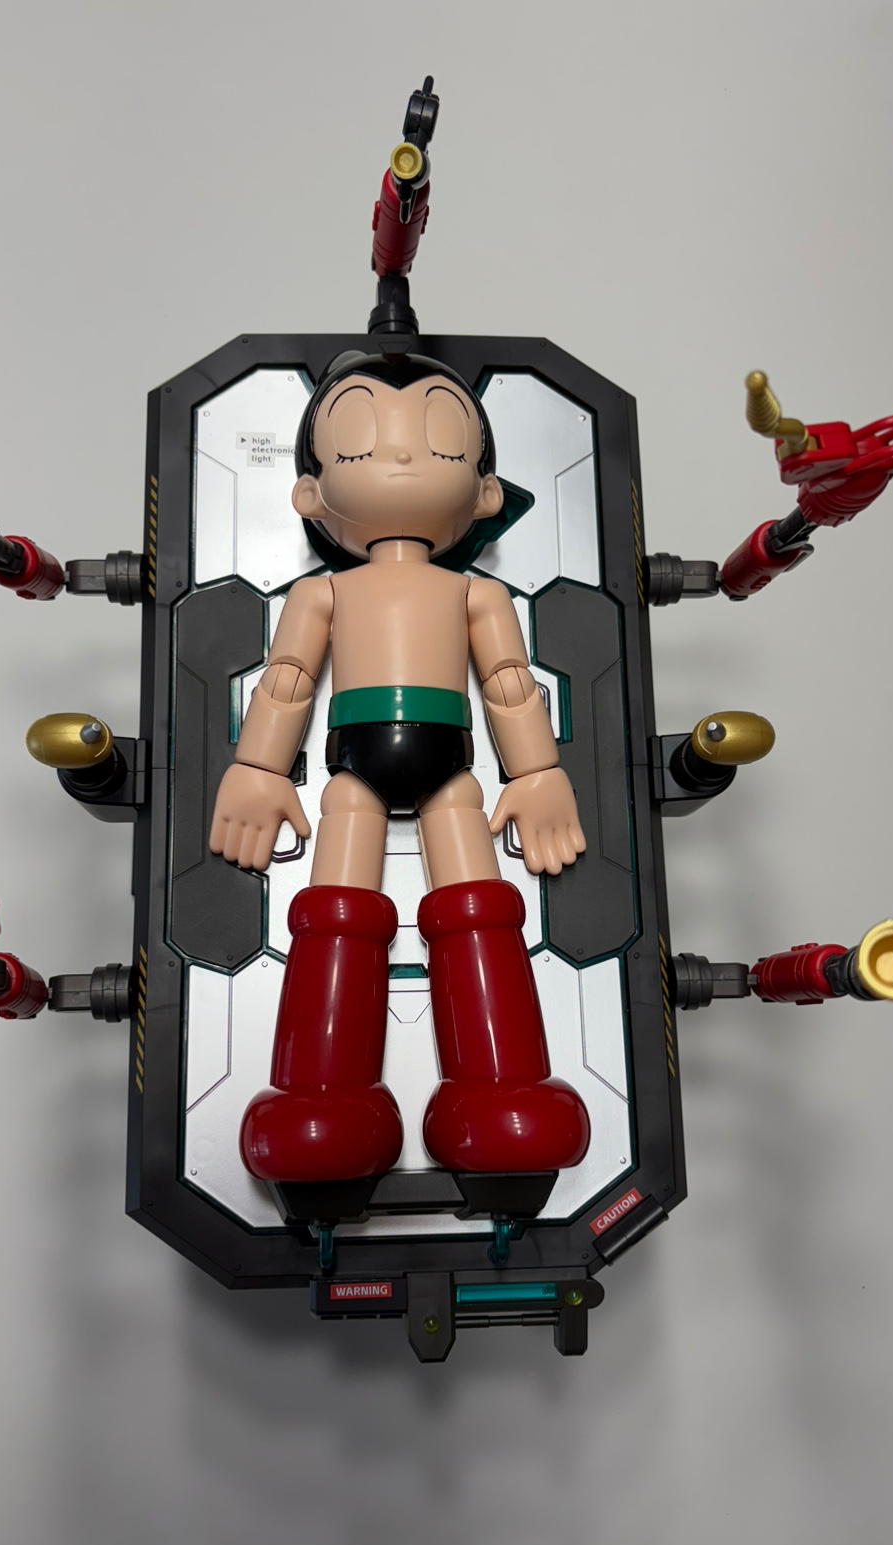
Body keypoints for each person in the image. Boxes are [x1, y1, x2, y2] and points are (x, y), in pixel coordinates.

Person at [210, 351, 590, 1188]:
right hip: (352, 774)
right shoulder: (323, 595)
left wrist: (536, 774)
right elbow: (287, 680)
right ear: (309, 494)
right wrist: (258, 768)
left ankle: (504, 1087)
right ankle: (321, 1095)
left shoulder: (476, 596)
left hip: (453, 772)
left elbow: (509, 684)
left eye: (441, 435)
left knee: (480, 913)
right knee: (335, 917)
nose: (405, 453)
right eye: (359, 436)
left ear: (485, 493)